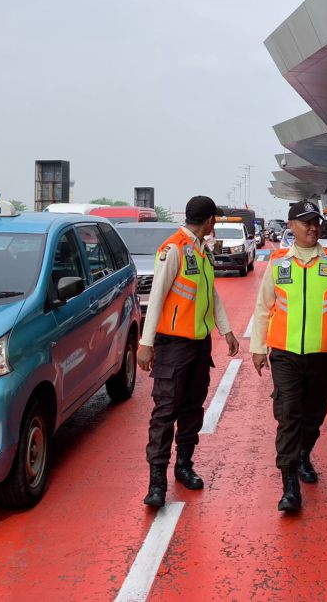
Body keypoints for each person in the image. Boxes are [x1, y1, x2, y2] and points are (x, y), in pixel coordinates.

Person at [251, 200, 327, 513]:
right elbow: (263, 306)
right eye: (306, 222)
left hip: (321, 355)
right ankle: (289, 487)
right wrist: (258, 347)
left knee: (314, 416)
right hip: (284, 355)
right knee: (288, 417)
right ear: (291, 226)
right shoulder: (279, 261)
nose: (313, 228)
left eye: (316, 222)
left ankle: (303, 454)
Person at [137, 195, 241, 508]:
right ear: (209, 221)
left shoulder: (202, 250)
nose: (215, 224)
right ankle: (157, 481)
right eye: (215, 220)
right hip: (173, 345)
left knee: (193, 408)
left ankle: (184, 466)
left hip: (199, 345)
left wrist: (226, 329)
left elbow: (210, 295)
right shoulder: (174, 249)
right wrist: (146, 343)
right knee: (165, 410)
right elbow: (156, 297)